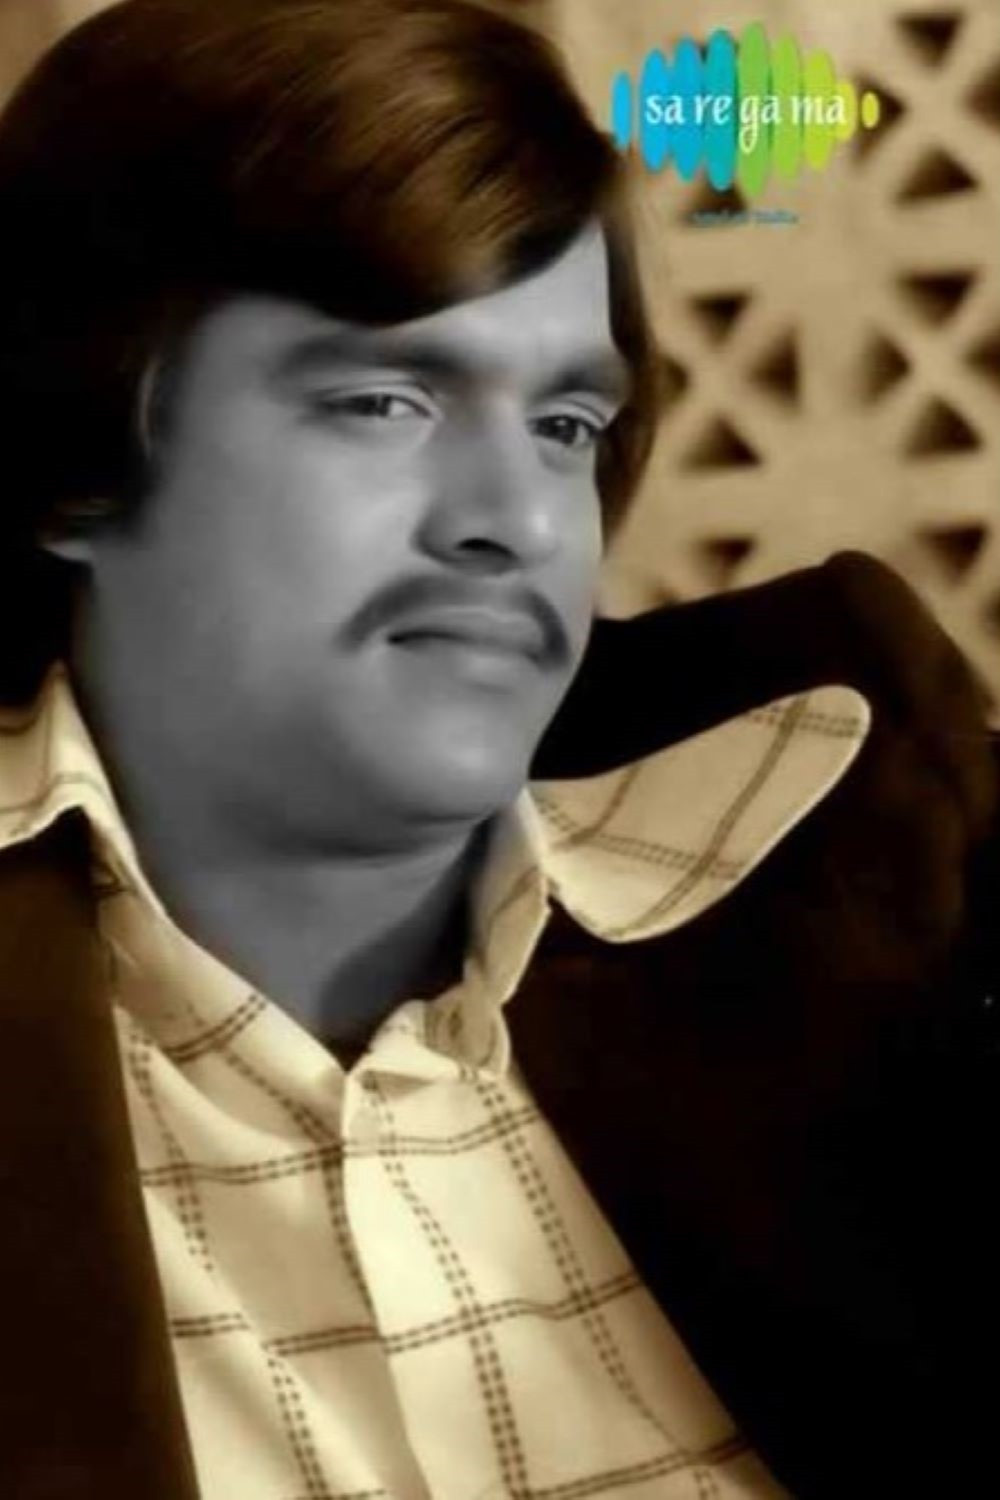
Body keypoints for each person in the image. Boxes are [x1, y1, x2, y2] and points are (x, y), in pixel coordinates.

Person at [0, 2, 996, 1497]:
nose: (522, 522)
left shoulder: (900, 875)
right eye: (384, 400)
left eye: (565, 425)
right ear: (73, 465)